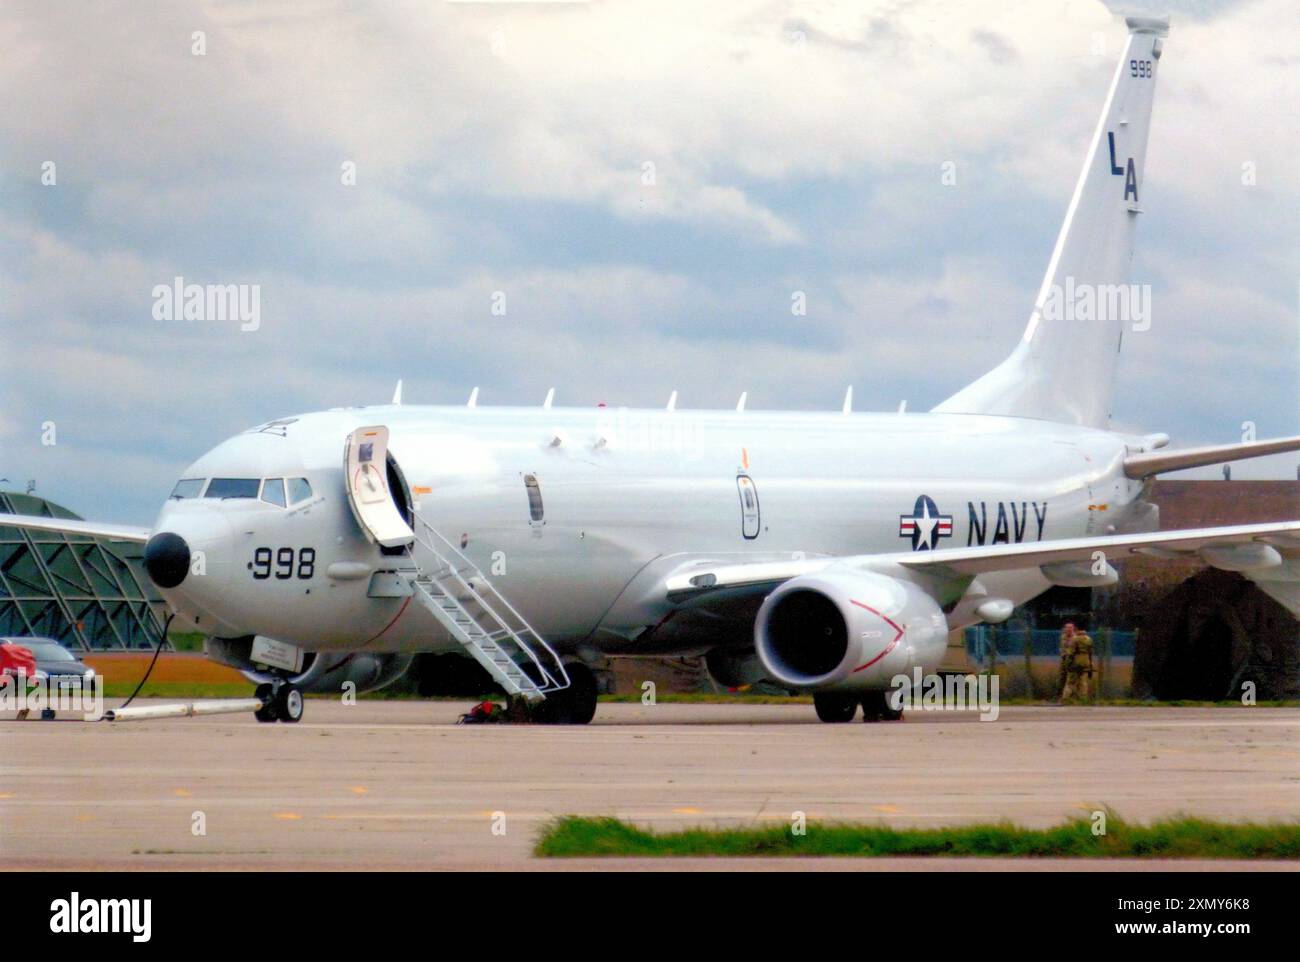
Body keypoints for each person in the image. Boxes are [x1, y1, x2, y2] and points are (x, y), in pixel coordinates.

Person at [1059, 623, 1094, 703]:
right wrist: (1090, 664)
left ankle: (1065, 698)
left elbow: (1071, 653)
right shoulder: (1089, 639)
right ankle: (1083, 699)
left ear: (1077, 630)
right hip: (1086, 662)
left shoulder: (1075, 639)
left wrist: (1068, 663)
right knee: (1083, 682)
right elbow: (1090, 652)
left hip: (1076, 662)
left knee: (1070, 682)